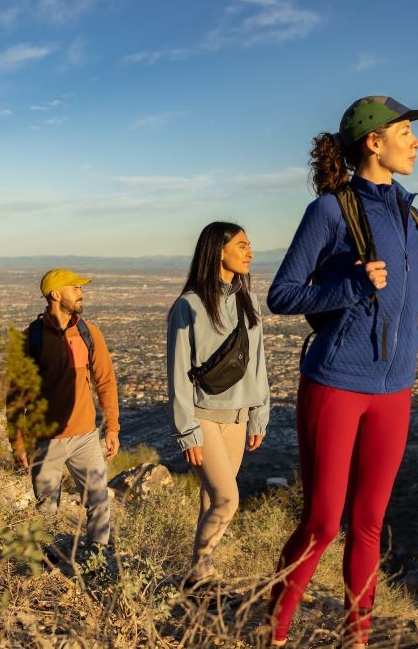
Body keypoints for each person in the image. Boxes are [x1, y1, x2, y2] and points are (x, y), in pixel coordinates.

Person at [264, 96, 418, 646]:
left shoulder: (411, 214)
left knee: (370, 522)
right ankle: (273, 633)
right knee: (324, 522)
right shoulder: (329, 210)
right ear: (374, 142)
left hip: (395, 388)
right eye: (404, 132)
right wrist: (350, 283)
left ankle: (358, 637)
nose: (415, 141)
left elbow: (399, 303)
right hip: (336, 383)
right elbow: (283, 295)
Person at [166, 222, 270, 586]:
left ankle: (201, 575)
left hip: (239, 418)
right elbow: (178, 373)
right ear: (218, 250)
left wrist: (259, 416)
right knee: (229, 500)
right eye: (242, 245)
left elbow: (257, 363)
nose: (249, 252)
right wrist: (187, 432)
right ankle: (199, 574)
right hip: (203, 417)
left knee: (212, 501)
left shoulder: (249, 300)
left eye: (249, 245)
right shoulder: (188, 306)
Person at [7, 267, 121, 556]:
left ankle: (98, 563)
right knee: (46, 512)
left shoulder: (88, 333)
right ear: (56, 295)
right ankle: (47, 569)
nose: (81, 293)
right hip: (45, 441)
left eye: (81, 288)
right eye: (76, 288)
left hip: (85, 437)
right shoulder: (28, 340)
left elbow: (105, 381)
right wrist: (17, 442)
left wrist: (112, 428)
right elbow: (14, 398)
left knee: (98, 503)